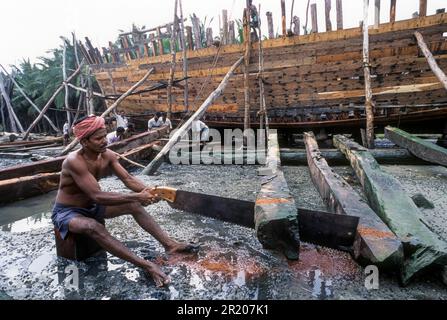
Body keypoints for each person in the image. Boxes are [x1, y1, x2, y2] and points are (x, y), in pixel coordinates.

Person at [52, 115, 197, 287]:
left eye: (105, 136)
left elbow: (128, 179)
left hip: (92, 207)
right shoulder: (74, 161)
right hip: (68, 212)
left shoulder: (107, 155)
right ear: (84, 142)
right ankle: (146, 266)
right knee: (94, 227)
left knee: (133, 205)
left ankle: (170, 244)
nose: (104, 141)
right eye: (98, 139)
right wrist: (138, 196)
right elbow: (97, 196)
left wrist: (151, 192)